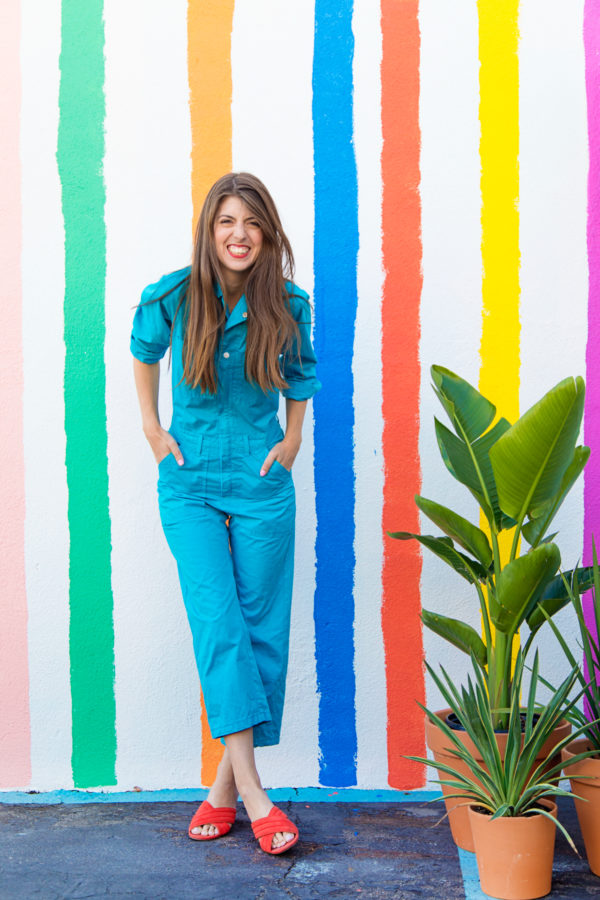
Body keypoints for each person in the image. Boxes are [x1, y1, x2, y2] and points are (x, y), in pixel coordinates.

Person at [131, 172, 320, 855]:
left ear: (266, 232)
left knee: (262, 632)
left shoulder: (288, 304)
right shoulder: (175, 295)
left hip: (263, 479)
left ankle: (220, 792)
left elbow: (300, 377)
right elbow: (143, 352)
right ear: (210, 232)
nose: (238, 234)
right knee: (220, 626)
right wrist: (154, 431)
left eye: (251, 222)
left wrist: (293, 437)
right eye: (225, 222)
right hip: (190, 485)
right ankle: (259, 796)